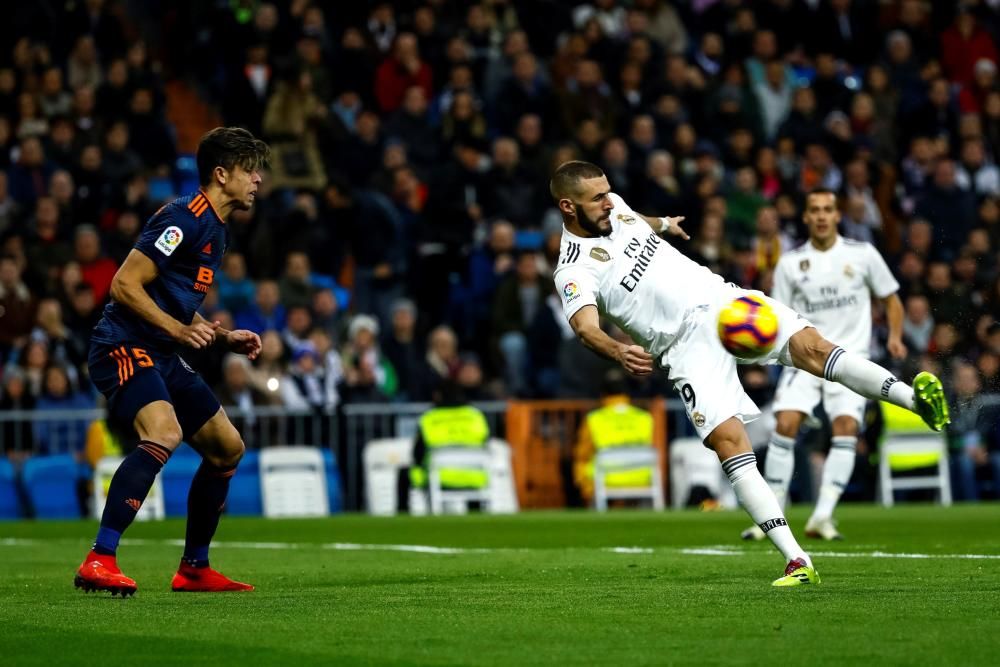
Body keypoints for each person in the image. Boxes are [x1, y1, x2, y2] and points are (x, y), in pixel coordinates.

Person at [549, 161, 949, 587]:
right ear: (568, 207)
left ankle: (916, 401)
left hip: (722, 302)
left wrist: (663, 223)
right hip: (683, 347)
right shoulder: (573, 270)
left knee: (815, 348)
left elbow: (635, 219)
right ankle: (797, 560)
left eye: (609, 191)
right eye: (597, 198)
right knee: (729, 443)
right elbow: (585, 328)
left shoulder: (614, 207)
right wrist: (618, 350)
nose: (608, 201)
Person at [75, 127, 269, 597]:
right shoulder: (183, 219)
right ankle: (99, 559)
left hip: (159, 350)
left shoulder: (217, 231)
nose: (258, 180)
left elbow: (175, 300)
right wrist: (179, 331)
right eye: (249, 170)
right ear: (221, 175)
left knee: (227, 448)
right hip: (123, 343)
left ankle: (195, 568)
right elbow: (124, 285)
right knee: (164, 432)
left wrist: (223, 336)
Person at [740, 189, 908, 543]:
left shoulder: (862, 255)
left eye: (827, 210)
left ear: (837, 215)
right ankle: (770, 516)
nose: (820, 216)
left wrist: (894, 336)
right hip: (804, 358)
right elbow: (779, 316)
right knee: (784, 424)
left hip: (850, 359)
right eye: (814, 209)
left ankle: (822, 516)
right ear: (805, 217)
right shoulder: (789, 263)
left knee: (845, 428)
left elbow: (891, 298)